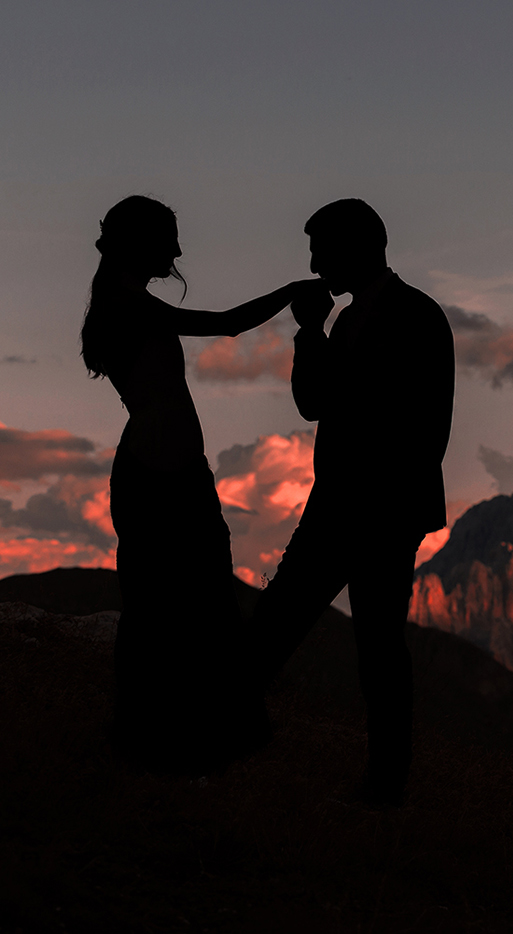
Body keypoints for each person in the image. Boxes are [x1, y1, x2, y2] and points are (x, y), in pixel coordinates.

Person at [81, 195, 327, 771]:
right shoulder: (131, 307)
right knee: (179, 604)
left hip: (166, 472)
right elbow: (225, 324)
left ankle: (165, 732)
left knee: (175, 602)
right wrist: (290, 293)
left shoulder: (122, 303)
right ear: (142, 244)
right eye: (169, 239)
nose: (179, 251)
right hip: (160, 477)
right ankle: (178, 734)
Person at [252, 198, 455, 806]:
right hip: (341, 505)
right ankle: (227, 735)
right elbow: (314, 402)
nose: (314, 264)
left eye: (321, 250)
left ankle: (386, 782)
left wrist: (314, 335)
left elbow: (404, 422)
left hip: (378, 512)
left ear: (357, 248)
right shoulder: (346, 321)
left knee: (372, 647)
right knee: (282, 623)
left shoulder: (416, 316)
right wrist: (311, 332)